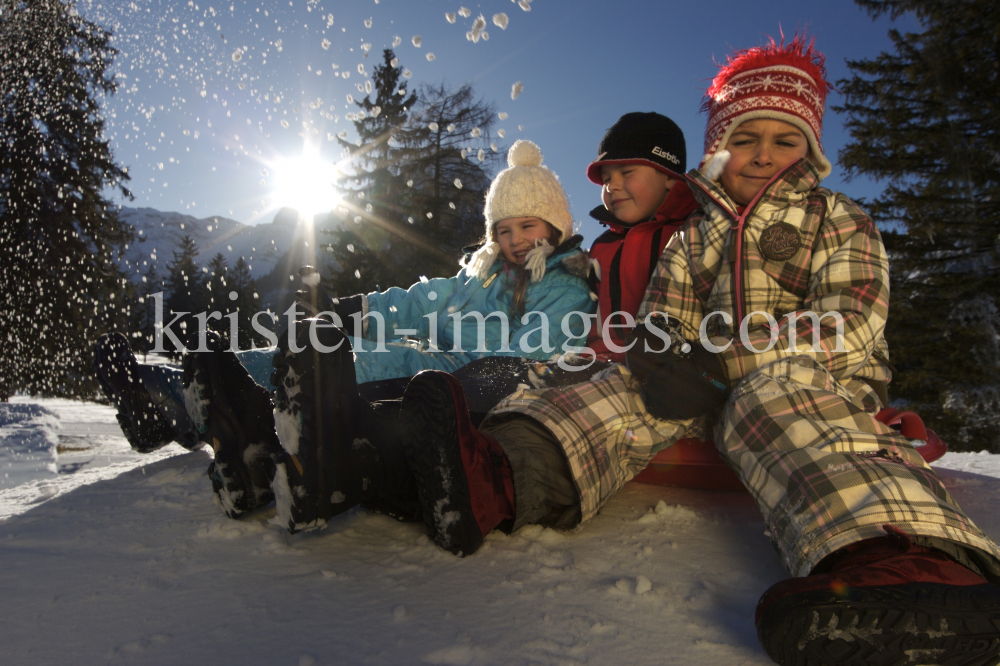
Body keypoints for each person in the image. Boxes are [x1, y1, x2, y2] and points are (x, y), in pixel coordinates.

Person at [380, 36, 1000, 665]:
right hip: (705, 383)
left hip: (818, 380)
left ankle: (912, 562)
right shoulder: (695, 238)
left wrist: (723, 361)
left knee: (774, 394)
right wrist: (658, 359)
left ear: (809, 151)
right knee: (613, 385)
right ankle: (500, 475)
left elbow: (849, 321)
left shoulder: (835, 219)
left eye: (784, 141)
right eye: (745, 139)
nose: (762, 155)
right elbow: (661, 319)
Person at [95, 139, 595, 453]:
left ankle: (210, 401)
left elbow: (534, 354)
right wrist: (359, 310)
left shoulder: (564, 284)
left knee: (338, 369)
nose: (514, 239)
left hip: (466, 387)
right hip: (436, 365)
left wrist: (463, 368)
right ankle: (177, 381)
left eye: (527, 225)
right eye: (502, 228)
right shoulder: (482, 275)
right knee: (318, 353)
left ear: (555, 225)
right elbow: (424, 302)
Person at [583, 112, 698, 362]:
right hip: (599, 360)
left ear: (668, 175)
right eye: (606, 180)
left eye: (626, 172)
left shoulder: (692, 232)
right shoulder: (603, 246)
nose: (611, 186)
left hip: (666, 366)